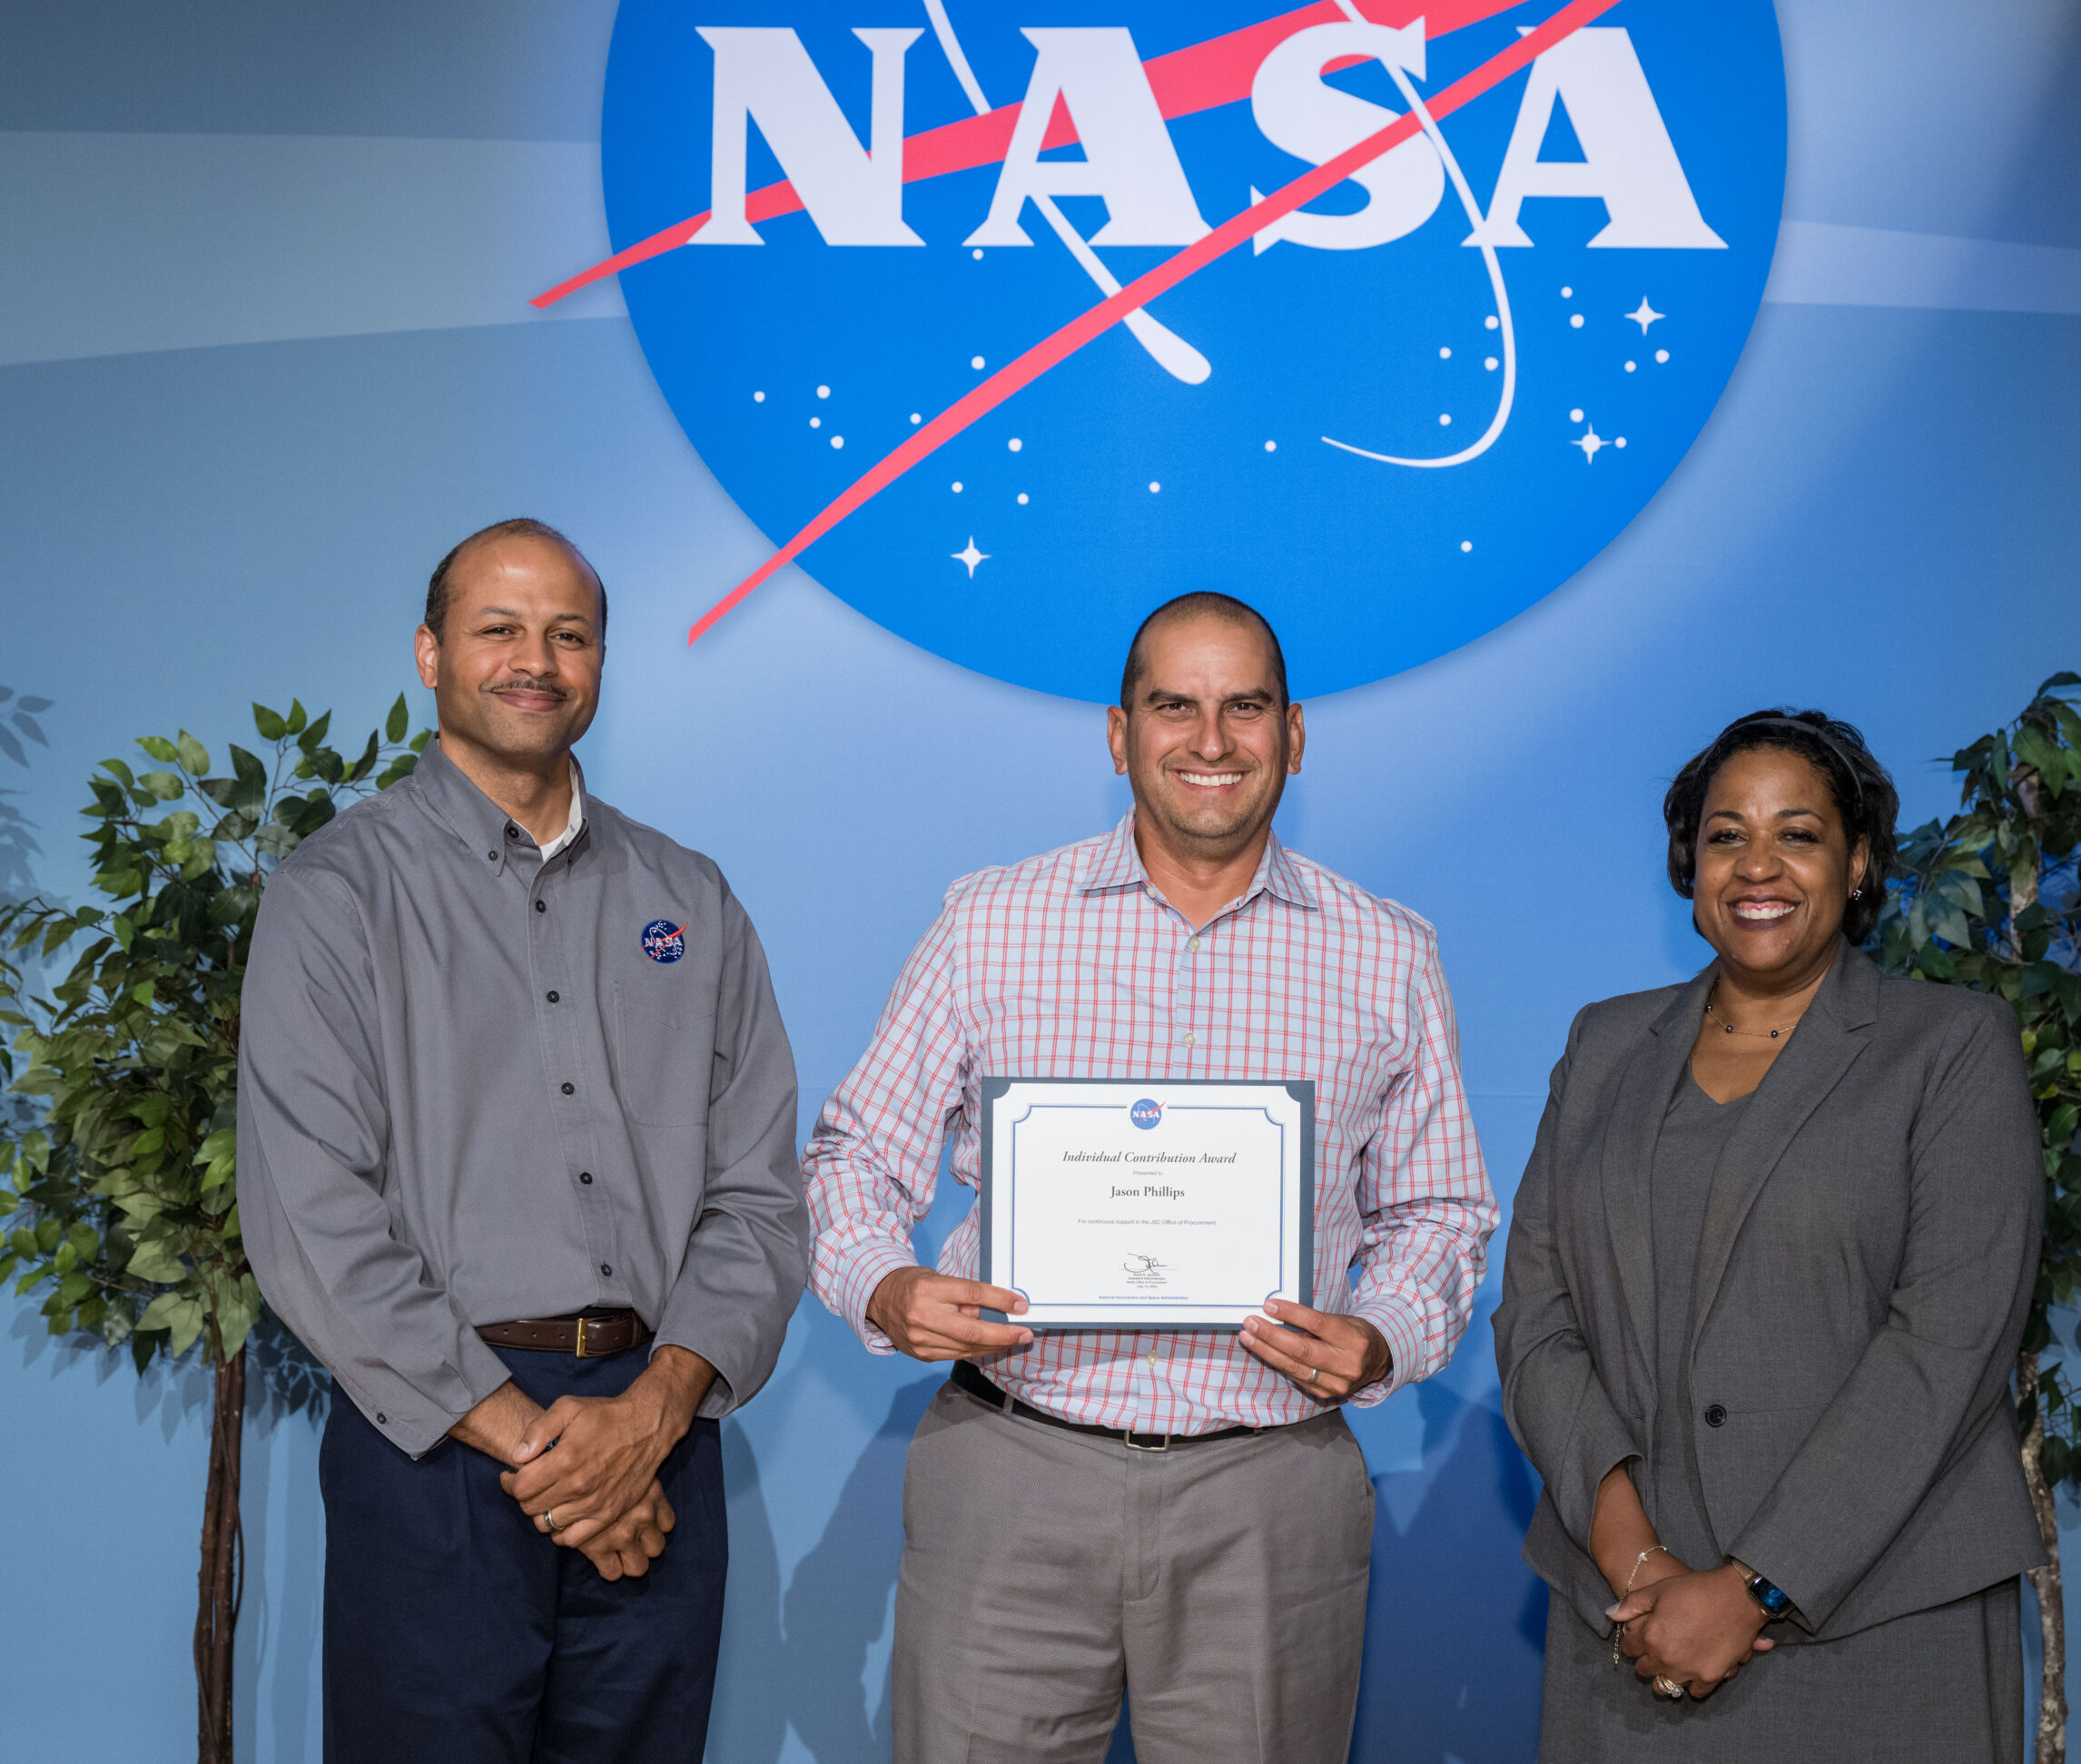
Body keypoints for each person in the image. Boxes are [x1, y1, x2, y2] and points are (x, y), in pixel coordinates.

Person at [805, 591, 1499, 1764]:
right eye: (1174, 705)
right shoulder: (990, 925)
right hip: (1015, 1469)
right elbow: (852, 1157)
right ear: (1120, 736)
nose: (1212, 741)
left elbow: (1440, 1214)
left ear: (1295, 734)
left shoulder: (1388, 953)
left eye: (1247, 707)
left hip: (1269, 1492)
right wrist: (885, 1287)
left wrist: (1383, 1335)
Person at [237, 518, 808, 1764]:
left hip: (663, 1432)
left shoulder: (691, 898)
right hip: (437, 1447)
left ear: (600, 662)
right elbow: (312, 1221)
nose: (534, 659)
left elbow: (762, 1194)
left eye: (568, 633)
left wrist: (648, 1419)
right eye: (499, 628)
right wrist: (550, 1453)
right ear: (432, 654)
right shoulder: (336, 894)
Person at [1494, 709, 2044, 1762]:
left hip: (1876, 1615)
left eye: (1797, 833)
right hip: (1628, 1625)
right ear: (1687, 862)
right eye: (1723, 833)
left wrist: (1752, 1584)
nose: (1757, 864)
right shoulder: (1605, 1041)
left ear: (1859, 860)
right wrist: (1640, 1565)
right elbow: (1537, 1313)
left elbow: (1950, 1341)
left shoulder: (1950, 1044)